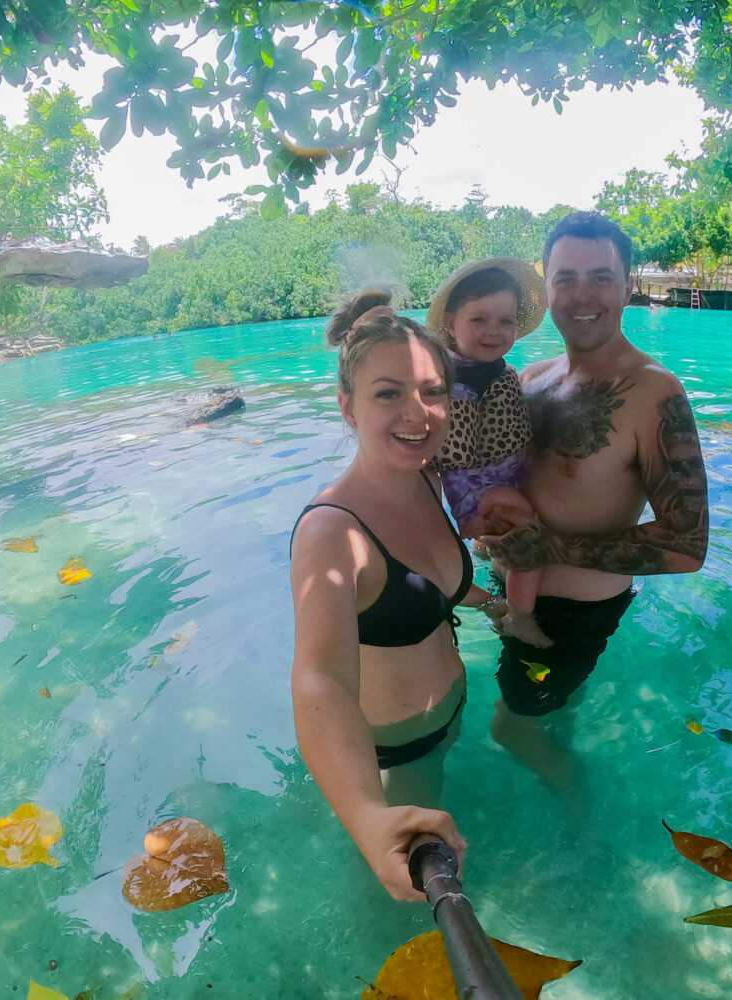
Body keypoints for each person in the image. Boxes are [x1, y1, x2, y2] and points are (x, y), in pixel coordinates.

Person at [483, 212, 709, 781]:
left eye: (601, 277)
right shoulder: (529, 379)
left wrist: (547, 550)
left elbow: (688, 545)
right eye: (566, 278)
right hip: (511, 592)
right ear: (547, 285)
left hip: (571, 621)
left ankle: (581, 828)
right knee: (548, 712)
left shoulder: (653, 392)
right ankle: (568, 736)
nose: (582, 295)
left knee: (509, 728)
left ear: (629, 285)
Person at [290, 290, 497, 901]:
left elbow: (433, 585)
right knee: (397, 897)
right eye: (389, 393)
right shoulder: (332, 533)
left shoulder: (427, 480)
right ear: (348, 409)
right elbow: (320, 677)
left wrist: (498, 608)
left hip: (449, 716)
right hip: (394, 752)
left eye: (433, 392)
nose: (419, 412)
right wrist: (365, 816)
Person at [425, 258, 551, 647]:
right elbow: (449, 452)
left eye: (505, 322)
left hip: (493, 482)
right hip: (478, 492)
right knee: (533, 538)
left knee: (506, 531)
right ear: (450, 323)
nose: (493, 332)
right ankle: (520, 615)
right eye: (478, 320)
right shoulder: (447, 381)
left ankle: (483, 549)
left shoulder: (494, 372)